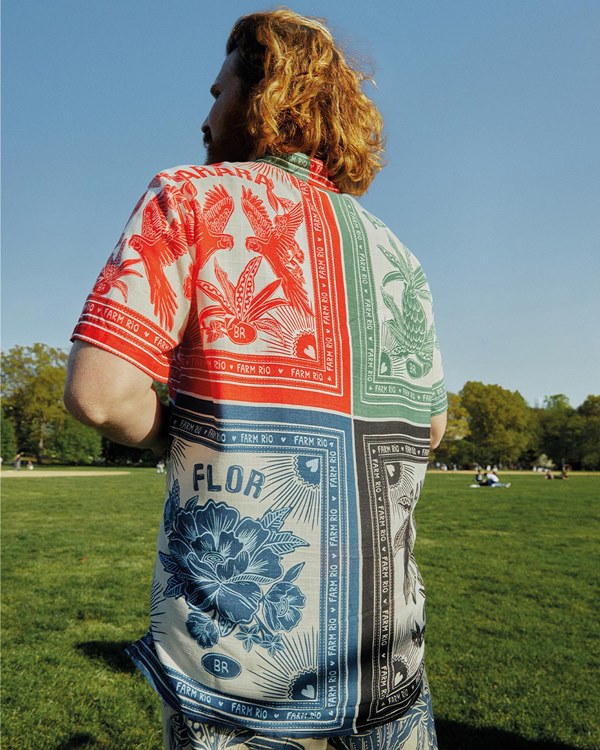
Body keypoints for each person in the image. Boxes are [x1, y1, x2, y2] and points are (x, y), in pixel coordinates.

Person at [64, 9, 447, 750]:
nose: (205, 116)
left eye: (218, 91)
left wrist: (201, 438)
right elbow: (428, 430)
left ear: (263, 93)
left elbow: (101, 393)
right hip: (388, 666)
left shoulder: (190, 198)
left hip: (239, 667)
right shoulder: (402, 255)